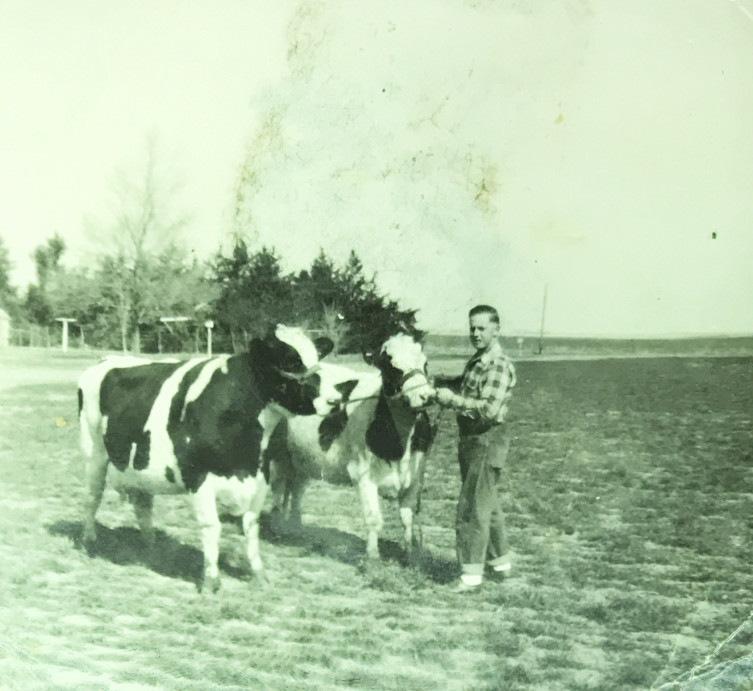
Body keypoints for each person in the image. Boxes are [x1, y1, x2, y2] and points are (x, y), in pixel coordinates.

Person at [433, 304, 517, 592]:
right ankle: (500, 563)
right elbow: (466, 388)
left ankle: (471, 576)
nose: (476, 333)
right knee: (488, 504)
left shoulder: (498, 364)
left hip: (485, 439)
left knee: (472, 508)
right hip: (472, 441)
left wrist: (451, 400)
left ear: (496, 329)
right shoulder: (478, 360)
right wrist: (437, 385)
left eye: (482, 328)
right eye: (472, 328)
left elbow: (489, 410)